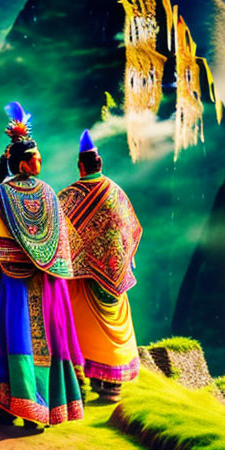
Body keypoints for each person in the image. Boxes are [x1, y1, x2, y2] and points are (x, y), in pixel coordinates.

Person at [0, 102, 85, 429]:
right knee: (40, 343)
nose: (40, 161)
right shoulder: (47, 193)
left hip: (13, 284)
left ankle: (11, 404)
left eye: (40, 157)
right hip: (43, 284)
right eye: (35, 157)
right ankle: (35, 409)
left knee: (12, 341)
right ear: (21, 162)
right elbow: (61, 242)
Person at [59, 130, 142, 402]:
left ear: (81, 166)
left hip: (83, 278)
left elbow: (58, 233)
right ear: (100, 164)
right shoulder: (117, 192)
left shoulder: (70, 195)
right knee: (112, 327)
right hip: (115, 276)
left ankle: (81, 382)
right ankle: (112, 386)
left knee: (80, 327)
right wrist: (121, 260)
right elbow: (132, 229)